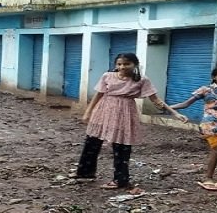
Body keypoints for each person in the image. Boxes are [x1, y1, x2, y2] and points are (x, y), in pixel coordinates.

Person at [70, 53, 188, 193]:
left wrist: (175, 113)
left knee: (121, 146)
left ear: (135, 65)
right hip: (103, 111)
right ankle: (85, 172)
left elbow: (156, 100)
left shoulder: (142, 80)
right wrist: (88, 112)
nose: (122, 67)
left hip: (125, 114)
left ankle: (120, 180)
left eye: (126, 64)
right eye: (119, 64)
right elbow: (98, 95)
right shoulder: (107, 76)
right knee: (92, 141)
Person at [170, 66, 217, 191]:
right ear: (214, 77)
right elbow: (187, 103)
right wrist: (169, 107)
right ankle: (208, 178)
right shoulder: (206, 90)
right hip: (211, 127)